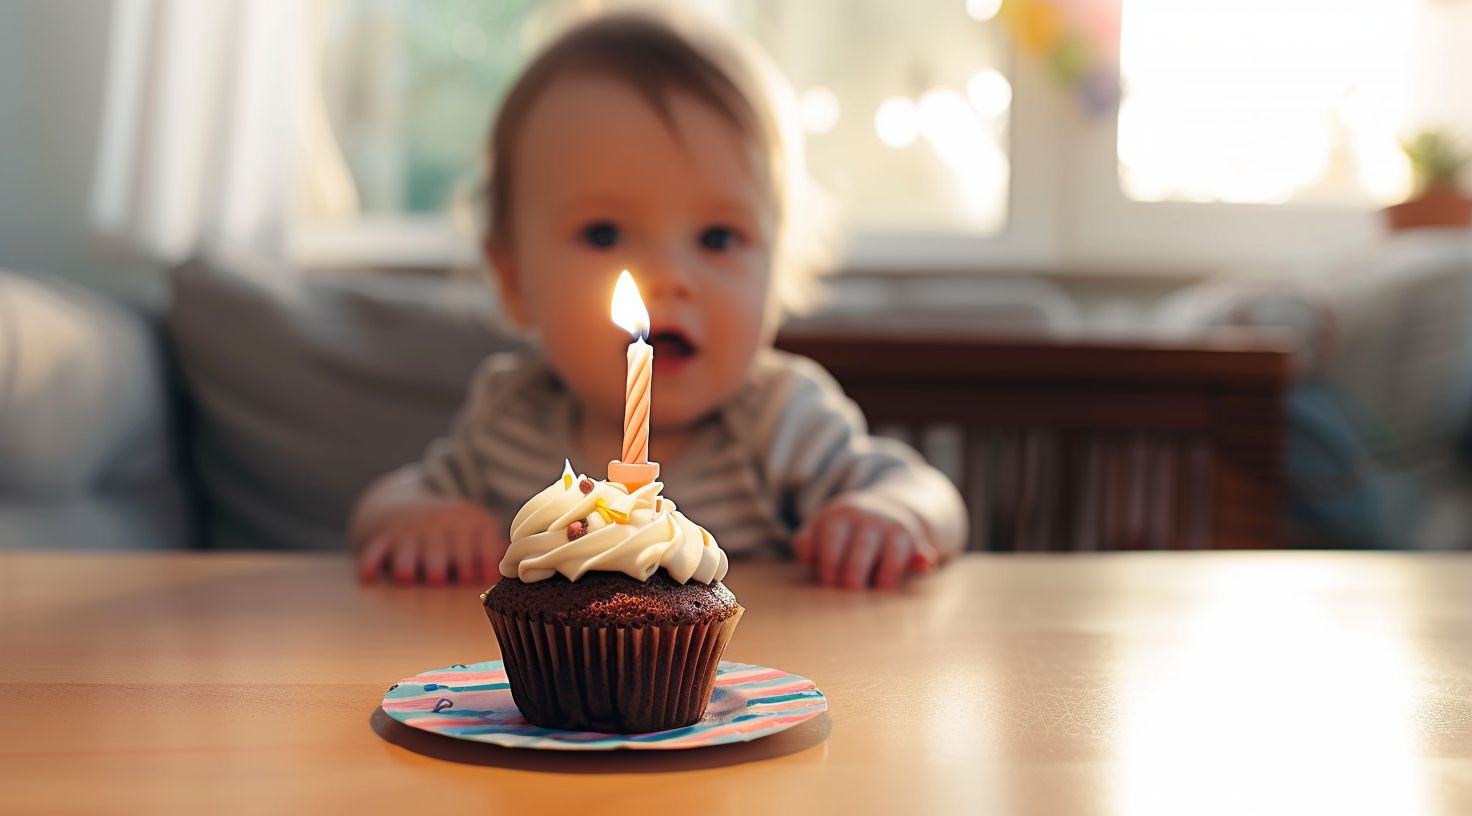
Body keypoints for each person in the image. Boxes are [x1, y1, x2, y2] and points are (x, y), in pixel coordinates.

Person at [351, 12, 966, 589]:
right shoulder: (512, 415)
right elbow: (390, 501)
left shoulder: (780, 419)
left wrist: (887, 514)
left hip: (736, 695)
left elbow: (927, 492)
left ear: (777, 270)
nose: (668, 278)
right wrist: (419, 521)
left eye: (718, 238)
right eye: (604, 234)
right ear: (513, 280)